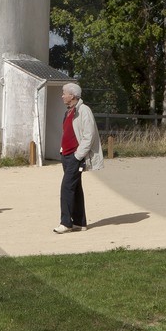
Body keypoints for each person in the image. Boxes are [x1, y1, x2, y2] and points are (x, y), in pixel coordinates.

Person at [55, 83, 103, 233]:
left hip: (76, 157)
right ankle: (79, 222)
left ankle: (66, 223)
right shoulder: (68, 112)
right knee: (75, 188)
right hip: (66, 155)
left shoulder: (84, 110)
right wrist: (63, 151)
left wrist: (78, 156)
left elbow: (89, 136)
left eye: (64, 93)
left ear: (73, 96)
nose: (62, 96)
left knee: (66, 187)